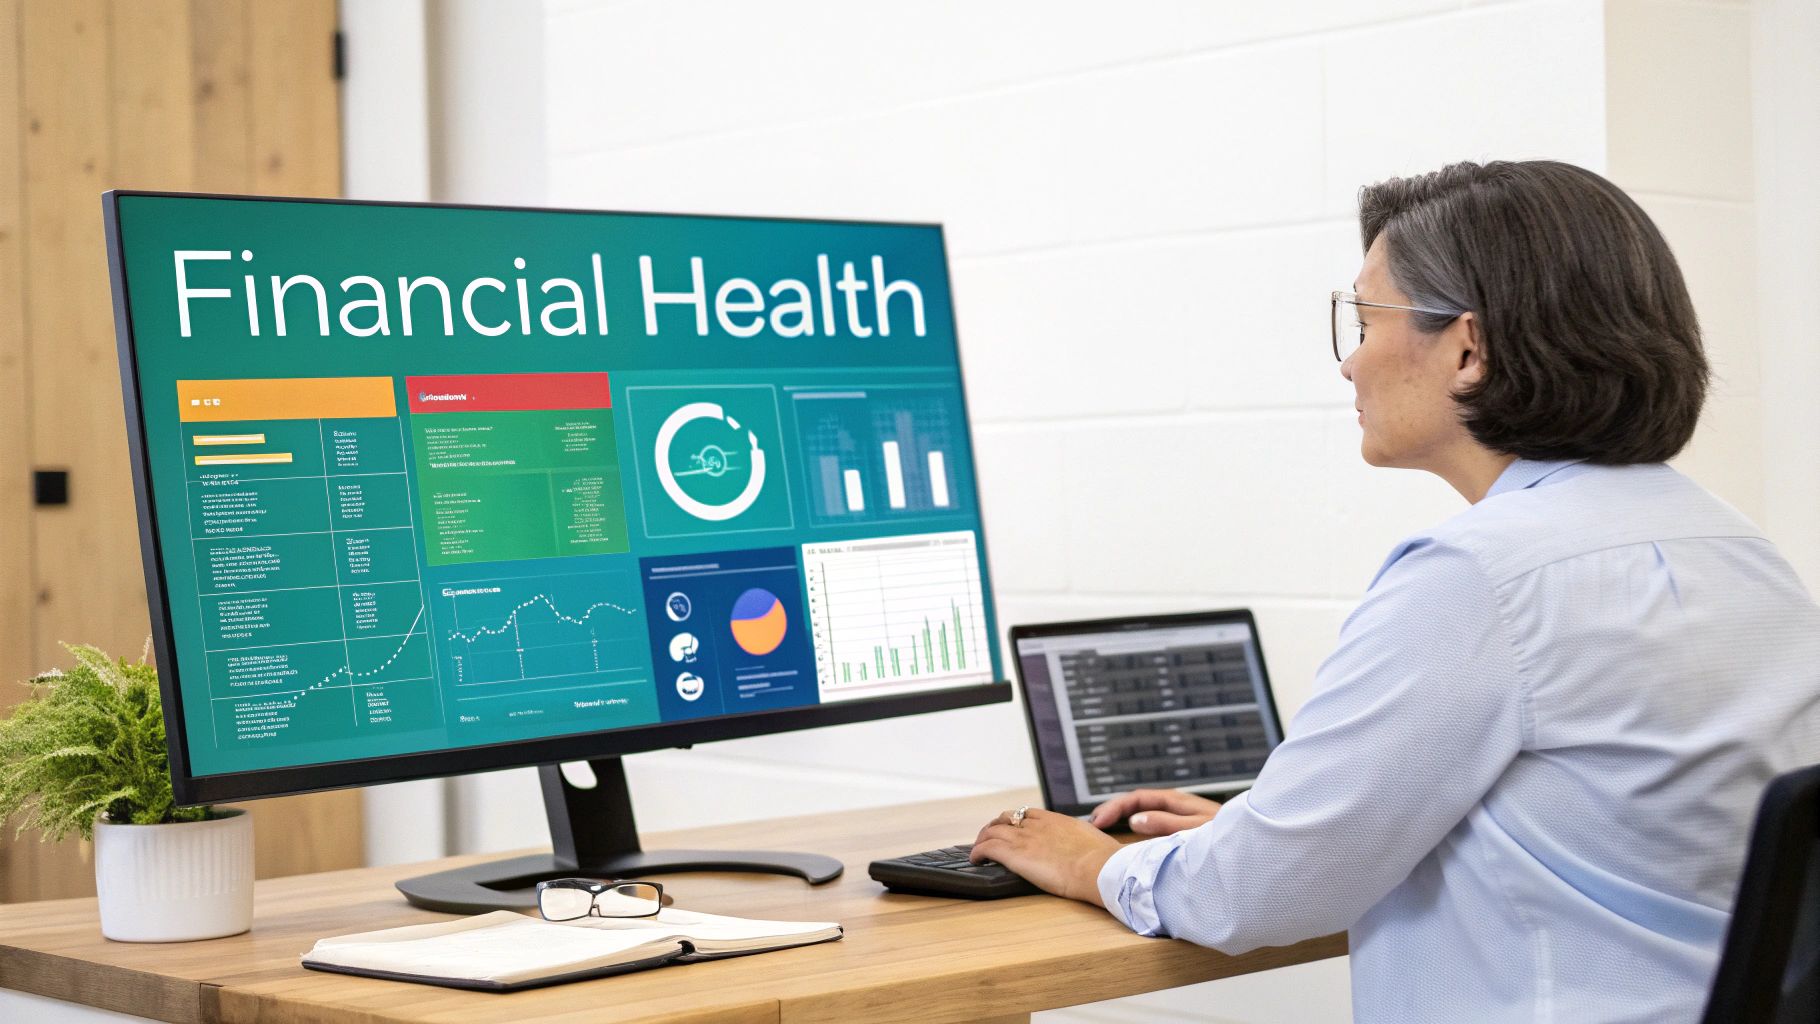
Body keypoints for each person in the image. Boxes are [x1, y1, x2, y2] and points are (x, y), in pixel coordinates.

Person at [971, 160, 1820, 1023]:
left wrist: (1095, 862)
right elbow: (1588, 828)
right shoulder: (1742, 551)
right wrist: (1262, 831)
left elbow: (1253, 895)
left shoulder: (1480, 578)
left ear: (1468, 349)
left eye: (1365, 320)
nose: (1350, 364)